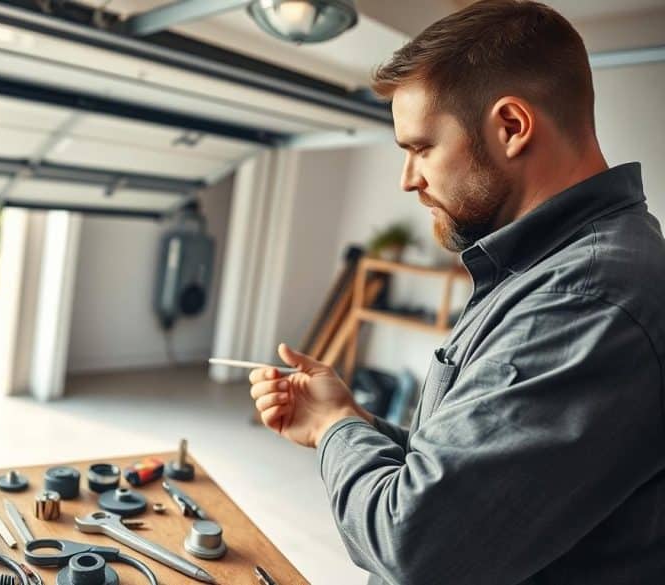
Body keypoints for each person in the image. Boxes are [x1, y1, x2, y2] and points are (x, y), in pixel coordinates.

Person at [248, 1, 665, 584]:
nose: (408, 179)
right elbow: (472, 472)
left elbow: (413, 541)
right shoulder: (547, 266)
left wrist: (333, 426)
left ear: (512, 127)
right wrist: (358, 422)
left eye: (420, 147)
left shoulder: (586, 296)